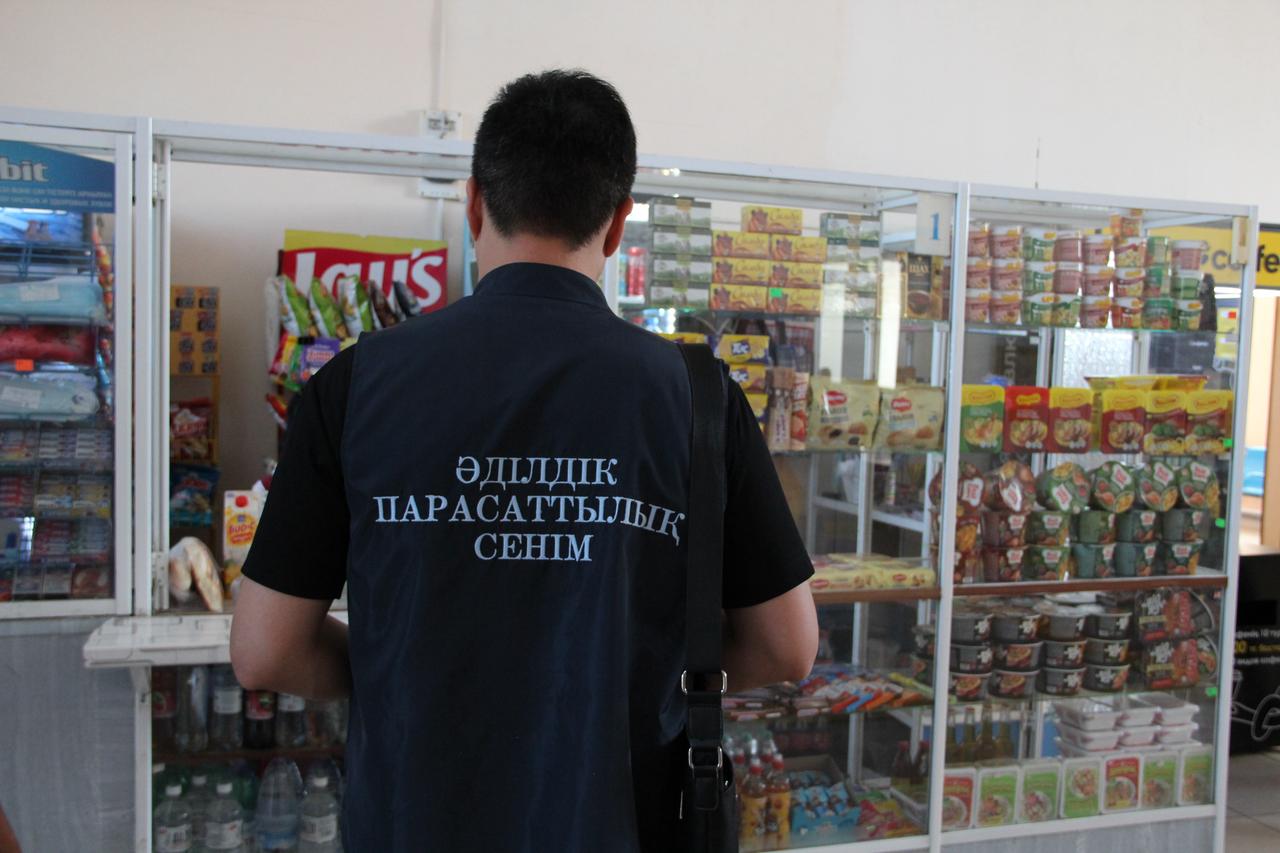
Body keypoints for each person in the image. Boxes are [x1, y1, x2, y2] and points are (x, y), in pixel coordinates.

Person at [230, 69, 817, 852]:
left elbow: (264, 650)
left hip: (413, 824)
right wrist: (640, 679)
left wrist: (383, 667)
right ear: (618, 222)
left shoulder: (353, 384)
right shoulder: (697, 395)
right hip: (621, 825)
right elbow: (787, 645)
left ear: (474, 203)